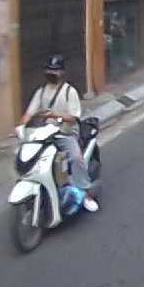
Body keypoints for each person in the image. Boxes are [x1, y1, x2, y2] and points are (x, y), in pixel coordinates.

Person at [19, 55, 98, 213]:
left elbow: (74, 118)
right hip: (44, 135)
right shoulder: (41, 92)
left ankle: (87, 194)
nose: (51, 73)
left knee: (76, 158)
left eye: (55, 70)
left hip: (65, 134)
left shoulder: (69, 92)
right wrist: (20, 126)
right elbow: (29, 112)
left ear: (62, 72)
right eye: (49, 69)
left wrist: (55, 115)